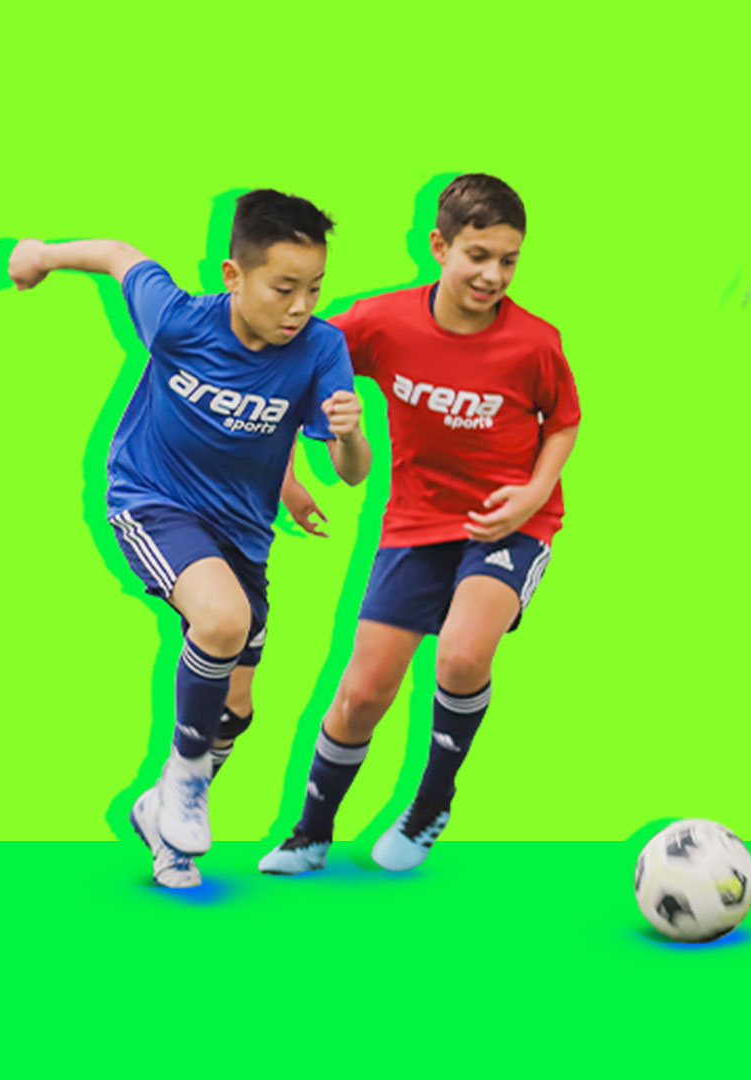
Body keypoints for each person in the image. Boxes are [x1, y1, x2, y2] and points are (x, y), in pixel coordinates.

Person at [7, 191, 369, 888]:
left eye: (315, 289)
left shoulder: (321, 348)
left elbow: (350, 472)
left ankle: (163, 822)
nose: (300, 306)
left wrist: (347, 439)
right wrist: (40, 256)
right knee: (222, 620)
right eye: (284, 288)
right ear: (234, 276)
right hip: (152, 500)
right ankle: (185, 776)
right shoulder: (179, 319)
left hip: (243, 534)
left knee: (236, 707)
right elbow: (119, 255)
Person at [259, 174, 581, 875]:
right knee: (361, 694)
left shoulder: (534, 343)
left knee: (462, 654)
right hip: (415, 523)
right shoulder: (382, 323)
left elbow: (562, 423)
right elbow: (295, 364)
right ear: (439, 246)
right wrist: (290, 473)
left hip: (508, 525)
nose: (493, 275)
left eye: (509, 260)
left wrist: (533, 495)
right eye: (478, 255)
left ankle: (432, 801)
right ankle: (311, 833)